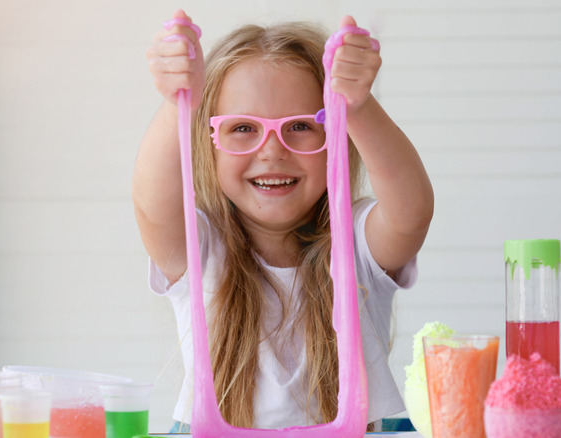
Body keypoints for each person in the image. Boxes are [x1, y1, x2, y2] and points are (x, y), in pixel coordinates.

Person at [133, 9, 433, 432]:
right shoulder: (202, 246)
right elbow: (151, 206)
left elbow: (411, 212)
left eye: (300, 126)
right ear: (209, 144)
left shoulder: (356, 243)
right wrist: (175, 104)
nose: (272, 150)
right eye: (242, 128)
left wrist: (357, 107)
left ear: (335, 137)